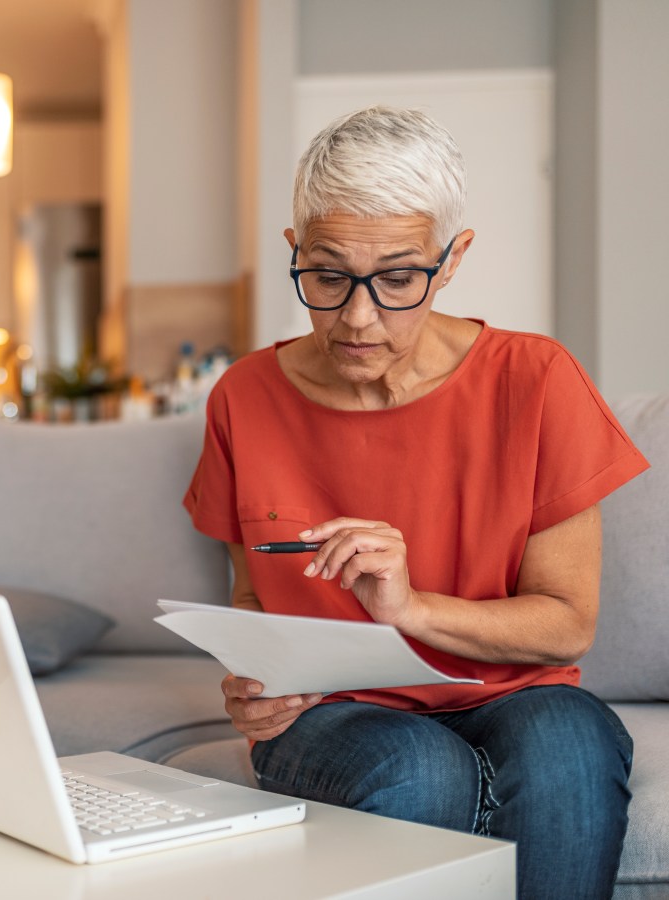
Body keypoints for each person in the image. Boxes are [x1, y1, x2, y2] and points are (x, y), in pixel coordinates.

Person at [183, 106, 649, 899]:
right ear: (295, 253)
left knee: (569, 748)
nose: (358, 318)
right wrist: (254, 682)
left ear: (452, 259)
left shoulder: (535, 381)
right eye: (328, 277)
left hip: (512, 694)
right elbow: (253, 593)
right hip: (334, 713)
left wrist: (411, 609)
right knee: (418, 768)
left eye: (398, 278)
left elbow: (567, 622)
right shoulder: (243, 398)